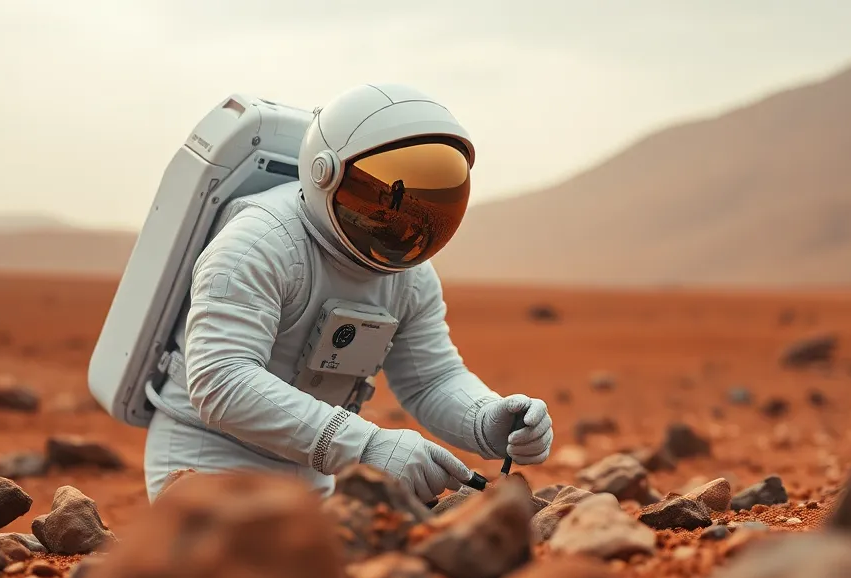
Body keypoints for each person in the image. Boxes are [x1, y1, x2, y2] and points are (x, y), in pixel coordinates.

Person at [143, 83, 554, 502]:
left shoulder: (410, 278)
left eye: (422, 202)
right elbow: (222, 381)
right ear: (327, 173)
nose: (397, 217)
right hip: (206, 462)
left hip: (311, 472)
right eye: (388, 195)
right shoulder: (260, 244)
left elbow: (431, 379)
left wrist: (485, 418)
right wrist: (367, 447)